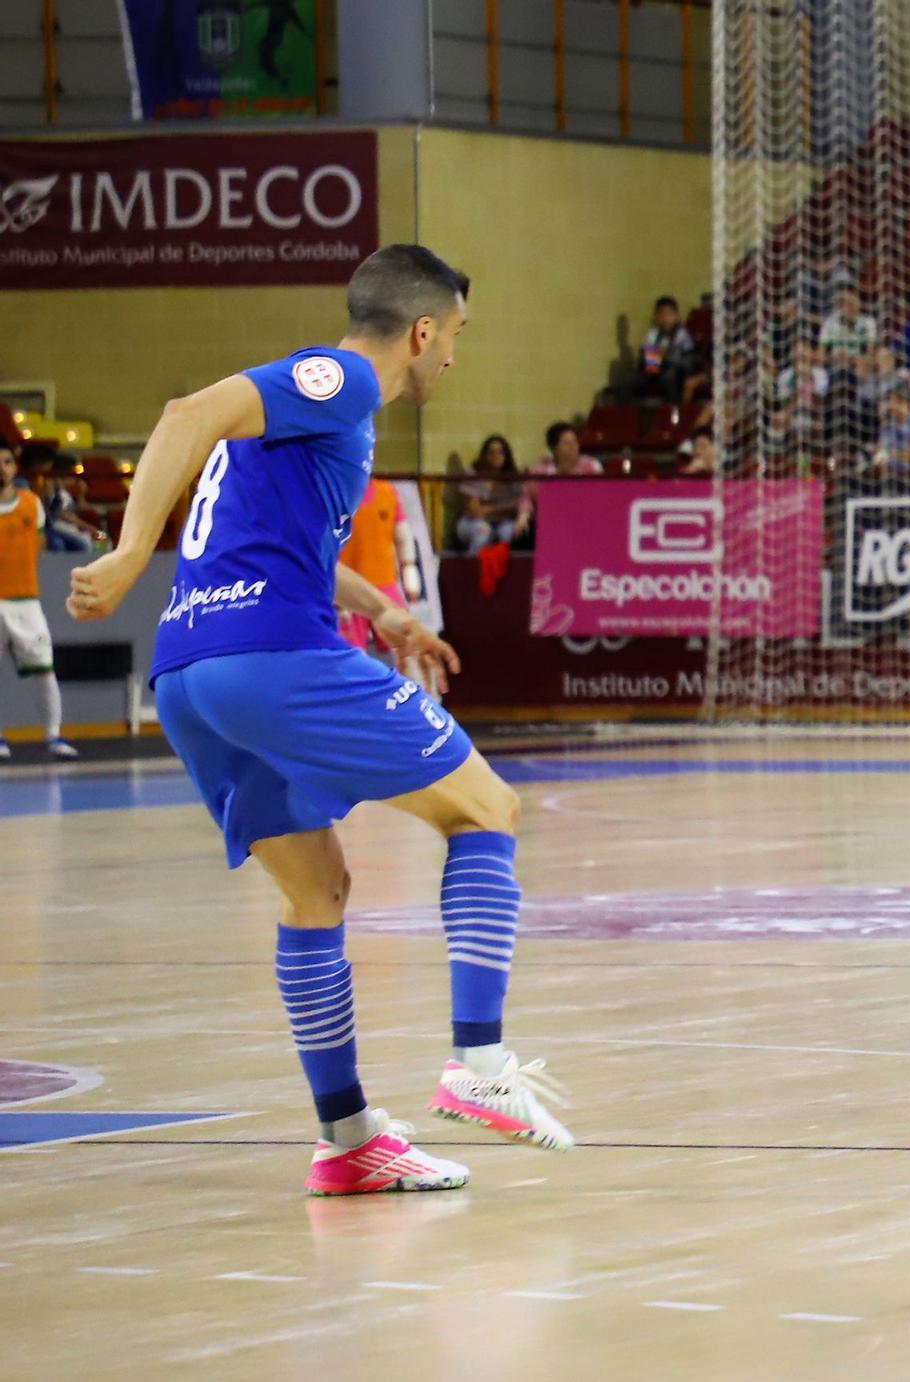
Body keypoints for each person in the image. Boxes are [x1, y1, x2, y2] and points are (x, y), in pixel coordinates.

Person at [65, 244, 571, 1196]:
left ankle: (349, 1140)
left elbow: (276, 541)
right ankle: (482, 1065)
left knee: (318, 896)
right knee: (487, 811)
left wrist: (381, 608)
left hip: (190, 673)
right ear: (422, 331)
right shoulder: (337, 378)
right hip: (270, 656)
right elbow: (184, 414)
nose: (453, 359)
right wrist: (132, 551)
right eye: (454, 337)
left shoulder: (314, 416)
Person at [0, 443, 79, 761]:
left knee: (44, 669)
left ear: (14, 467)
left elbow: (40, 542)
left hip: (26, 600)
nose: (1, 468)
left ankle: (53, 735)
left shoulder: (31, 503)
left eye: (6, 462)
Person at [336, 476, 421, 665]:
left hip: (385, 584)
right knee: (351, 654)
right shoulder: (332, 491)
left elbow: (403, 537)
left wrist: (409, 569)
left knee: (406, 646)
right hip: (347, 590)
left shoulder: (387, 491)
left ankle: (408, 690)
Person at [457, 434, 524, 552]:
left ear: (506, 456)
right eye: (491, 452)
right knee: (482, 532)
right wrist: (504, 509)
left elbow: (519, 504)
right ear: (484, 455)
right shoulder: (474, 473)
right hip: (472, 522)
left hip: (504, 522)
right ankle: (474, 569)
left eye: (500, 452)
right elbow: (475, 510)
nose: (496, 456)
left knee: (509, 534)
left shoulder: (513, 477)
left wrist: (490, 509)